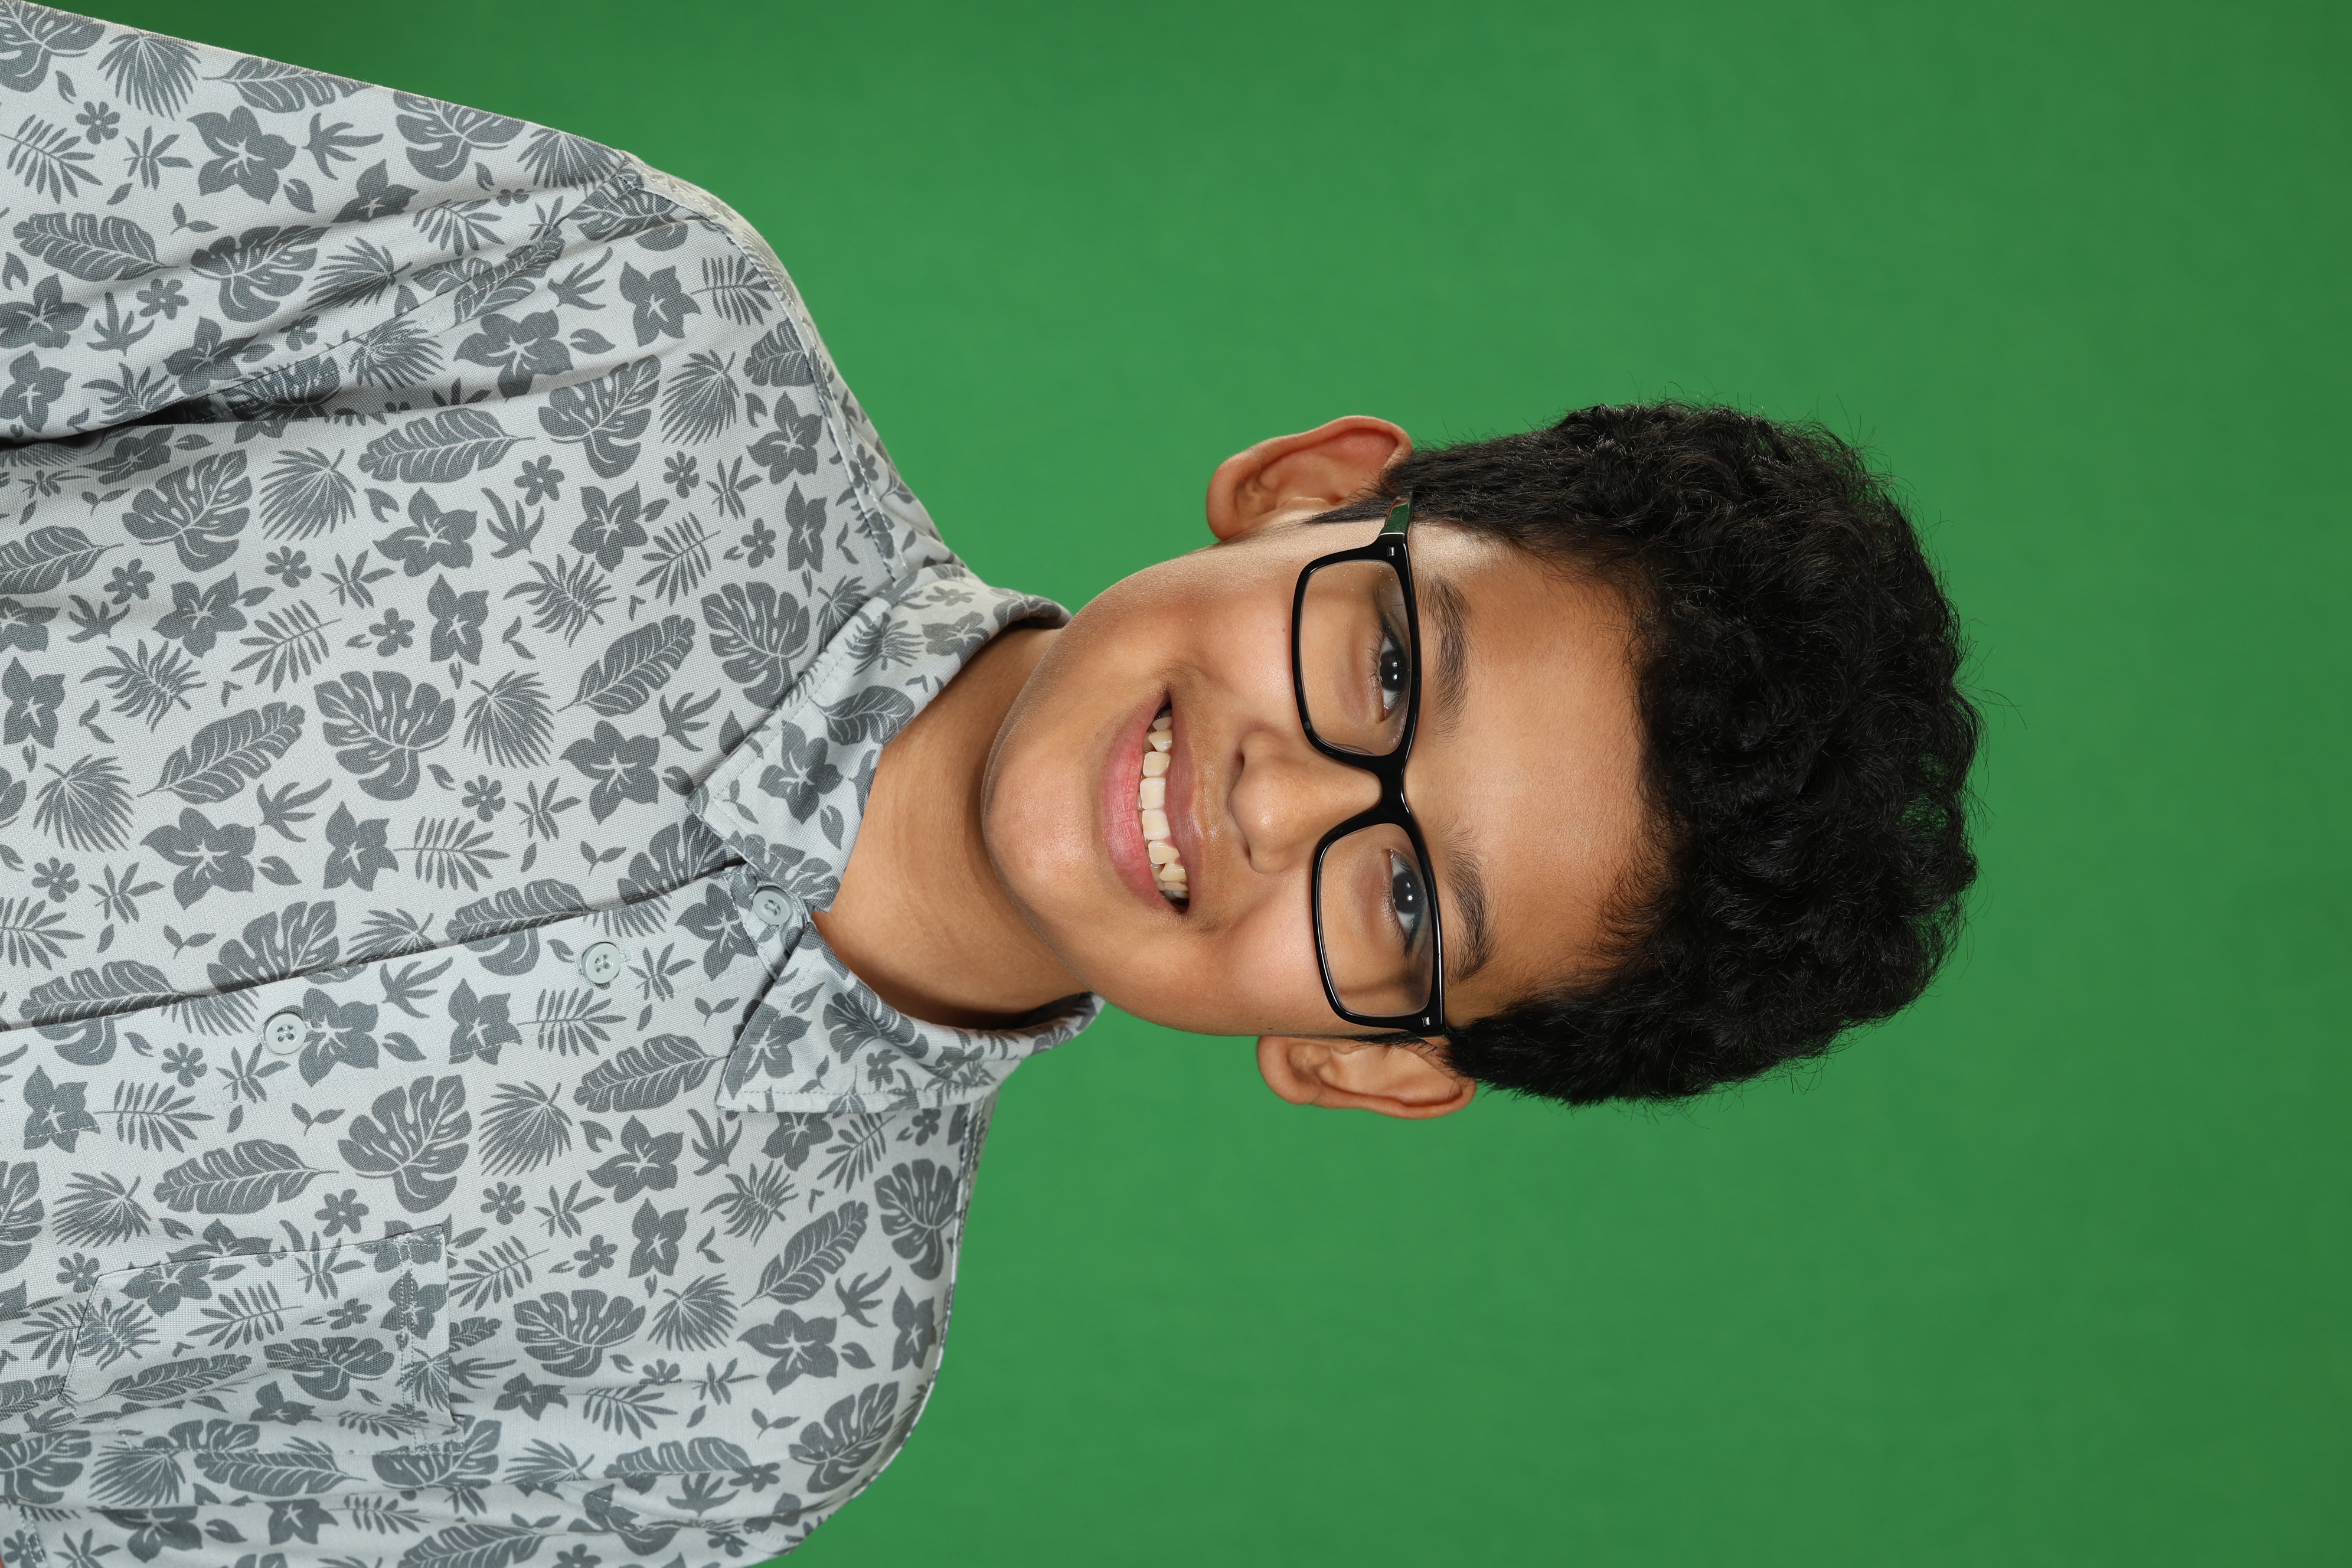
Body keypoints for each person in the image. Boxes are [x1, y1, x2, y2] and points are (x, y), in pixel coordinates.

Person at [0, 4, 1979, 1564]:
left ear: (1368, 1056)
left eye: (1401, 898)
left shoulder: (755, 1394)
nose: (1284, 800)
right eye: (1387, 667)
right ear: (1313, 491)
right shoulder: (620, 323)